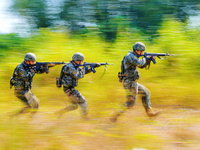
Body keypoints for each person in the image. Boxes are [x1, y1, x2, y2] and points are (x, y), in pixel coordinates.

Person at [110, 42, 161, 122]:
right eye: (141, 51)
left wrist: (149, 60)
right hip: (129, 83)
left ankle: (149, 113)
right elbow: (139, 63)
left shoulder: (134, 56)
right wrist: (146, 58)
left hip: (133, 82)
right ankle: (115, 116)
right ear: (137, 50)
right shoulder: (129, 56)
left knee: (146, 93)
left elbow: (141, 66)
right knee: (130, 103)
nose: (142, 53)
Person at [55, 52, 100, 118]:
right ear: (76, 60)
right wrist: (85, 68)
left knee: (74, 106)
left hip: (69, 88)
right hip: (69, 89)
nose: (81, 62)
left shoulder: (74, 66)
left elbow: (82, 72)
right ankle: (84, 118)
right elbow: (78, 76)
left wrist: (92, 68)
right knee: (83, 101)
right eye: (80, 61)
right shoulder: (70, 67)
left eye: (82, 61)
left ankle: (59, 112)